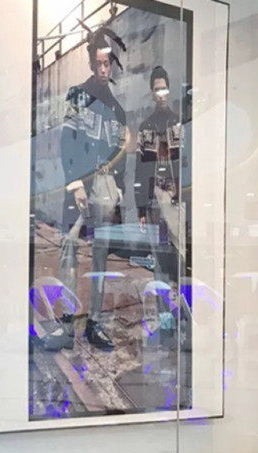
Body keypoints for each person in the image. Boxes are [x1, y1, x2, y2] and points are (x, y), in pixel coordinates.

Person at [46, 27, 129, 352]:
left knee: (100, 256)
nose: (103, 69)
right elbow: (67, 141)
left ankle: (95, 323)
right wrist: (76, 184)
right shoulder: (78, 94)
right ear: (92, 63)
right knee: (69, 248)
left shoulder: (117, 108)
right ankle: (67, 324)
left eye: (107, 63)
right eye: (99, 63)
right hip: (81, 185)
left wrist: (119, 189)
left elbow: (121, 152)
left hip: (106, 188)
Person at [135, 65, 189, 348]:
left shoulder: (179, 123)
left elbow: (187, 164)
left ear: (169, 89)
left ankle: (184, 316)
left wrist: (185, 198)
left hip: (176, 201)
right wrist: (141, 207)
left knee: (179, 258)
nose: (161, 93)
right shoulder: (146, 126)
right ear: (152, 92)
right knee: (159, 263)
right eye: (157, 89)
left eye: (164, 88)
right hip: (155, 200)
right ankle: (165, 320)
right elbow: (141, 169)